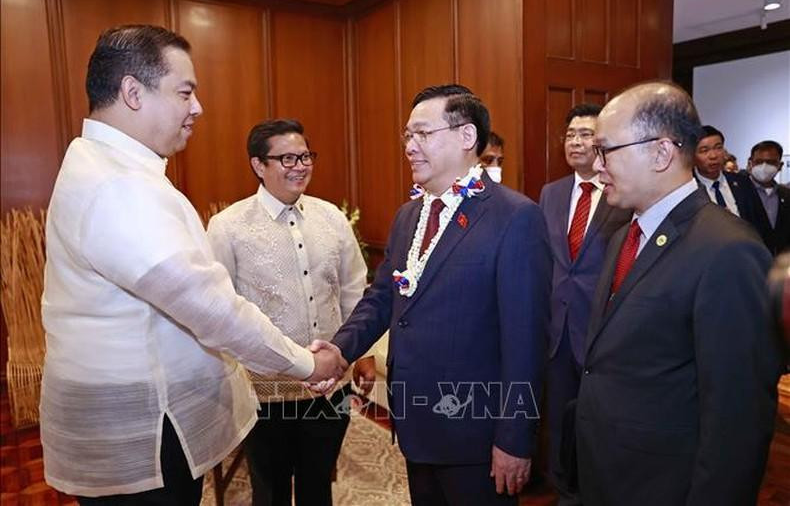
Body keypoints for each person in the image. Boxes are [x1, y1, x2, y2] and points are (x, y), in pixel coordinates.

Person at [40, 25, 345, 505]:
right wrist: (306, 363)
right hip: (144, 432)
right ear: (133, 92)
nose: (197, 107)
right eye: (185, 92)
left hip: (144, 424)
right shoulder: (117, 187)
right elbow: (207, 305)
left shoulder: (104, 166)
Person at [322, 84, 552, 506]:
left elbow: (526, 342)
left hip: (476, 435)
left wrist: (515, 439)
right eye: (407, 135)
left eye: (422, 134)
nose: (410, 146)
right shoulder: (409, 215)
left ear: (467, 137)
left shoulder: (515, 217)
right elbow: (383, 298)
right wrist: (340, 351)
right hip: (416, 422)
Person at [576, 81, 783, 505]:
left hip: (665, 486)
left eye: (605, 150)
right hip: (608, 473)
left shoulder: (728, 250)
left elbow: (736, 418)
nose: (596, 167)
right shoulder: (623, 235)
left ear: (661, 152)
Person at [206, 118, 370, 506]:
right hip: (265, 390)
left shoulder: (332, 218)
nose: (300, 166)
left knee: (318, 487)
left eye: (305, 156)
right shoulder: (227, 228)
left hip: (330, 385)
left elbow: (353, 289)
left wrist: (360, 354)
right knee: (271, 490)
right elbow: (220, 308)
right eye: (287, 158)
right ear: (258, 165)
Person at [538, 103, 631, 505]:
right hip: (556, 331)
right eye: (571, 134)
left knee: (601, 424)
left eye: (587, 134)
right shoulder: (551, 193)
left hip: (602, 332)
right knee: (558, 422)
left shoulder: (623, 194)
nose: (577, 142)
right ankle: (563, 490)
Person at [693, 125, 769, 242]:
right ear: (692, 156)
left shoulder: (743, 183)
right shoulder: (687, 188)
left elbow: (761, 225)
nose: (713, 156)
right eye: (704, 150)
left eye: (718, 148)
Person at [747, 140, 790, 255]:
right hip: (750, 260)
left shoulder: (786, 194)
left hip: (780, 262)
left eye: (770, 162)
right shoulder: (741, 192)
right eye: (759, 162)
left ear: (779, 165)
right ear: (751, 163)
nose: (764, 166)